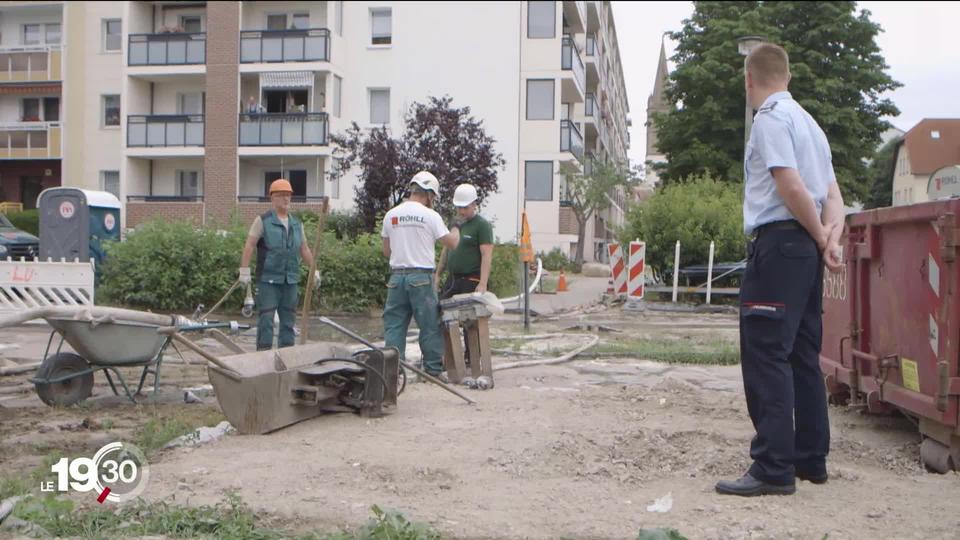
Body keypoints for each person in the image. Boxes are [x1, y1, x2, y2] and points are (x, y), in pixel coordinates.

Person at [715, 43, 844, 497]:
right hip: (806, 252)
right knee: (802, 355)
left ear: (750, 80)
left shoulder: (769, 119)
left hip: (780, 244)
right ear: (786, 76)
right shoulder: (810, 125)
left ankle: (772, 468)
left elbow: (787, 183)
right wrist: (829, 237)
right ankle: (811, 459)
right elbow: (833, 194)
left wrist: (814, 231)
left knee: (766, 352)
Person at [381, 171, 459, 376]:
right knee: (429, 325)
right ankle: (432, 371)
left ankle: (392, 371)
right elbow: (451, 243)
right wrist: (456, 228)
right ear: (430, 195)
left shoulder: (391, 215)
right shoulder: (430, 216)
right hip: (421, 278)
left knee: (394, 326)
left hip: (396, 278)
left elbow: (386, 252)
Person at [239, 178, 319, 351]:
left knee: (288, 320)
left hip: (290, 280)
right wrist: (244, 270)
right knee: (266, 319)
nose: (286, 199)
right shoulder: (263, 221)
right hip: (268, 279)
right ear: (272, 198)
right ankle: (263, 355)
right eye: (281, 195)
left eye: (288, 195)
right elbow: (250, 245)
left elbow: (304, 249)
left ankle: (286, 354)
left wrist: (314, 270)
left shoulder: (297, 224)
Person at [436, 183, 494, 298]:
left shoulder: (482, 225)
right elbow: (446, 249)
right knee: (442, 309)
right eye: (459, 207)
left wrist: (482, 283)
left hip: (471, 279)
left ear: (474, 205)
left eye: (465, 207)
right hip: (453, 279)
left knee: (465, 313)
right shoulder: (455, 224)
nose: (462, 211)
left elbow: (486, 255)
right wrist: (437, 275)